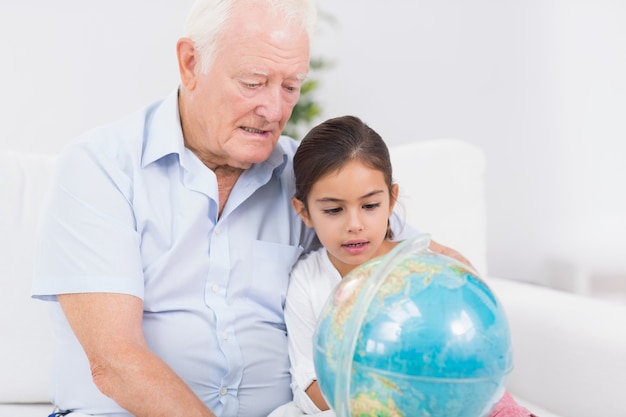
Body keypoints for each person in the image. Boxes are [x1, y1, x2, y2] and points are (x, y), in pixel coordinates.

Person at [31, 1, 468, 417]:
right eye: (253, 82)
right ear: (190, 64)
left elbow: (438, 270)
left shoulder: (311, 183)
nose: (274, 110)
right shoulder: (101, 167)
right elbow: (115, 361)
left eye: (291, 86)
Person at [284, 115, 536, 416]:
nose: (354, 225)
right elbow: (307, 389)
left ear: (392, 201)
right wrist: (376, 394)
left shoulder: (428, 269)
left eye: (370, 206)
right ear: (305, 212)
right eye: (334, 210)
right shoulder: (306, 282)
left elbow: (472, 347)